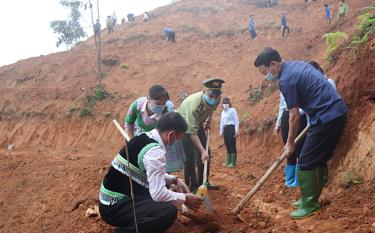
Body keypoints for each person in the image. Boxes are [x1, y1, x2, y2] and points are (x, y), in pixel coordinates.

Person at [254, 47, 348, 219]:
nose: (265, 76)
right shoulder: (297, 64)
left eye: (264, 71)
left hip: (327, 115)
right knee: (317, 158)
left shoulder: (286, 80)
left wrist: (290, 143)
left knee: (305, 159)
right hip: (332, 111)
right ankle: (310, 197)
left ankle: (310, 204)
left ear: (273, 64)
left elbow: (294, 115)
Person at [99, 112, 202, 233]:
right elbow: (158, 194)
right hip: (114, 207)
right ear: (171, 135)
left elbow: (152, 172)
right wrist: (185, 198)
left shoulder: (145, 137)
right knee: (168, 211)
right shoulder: (155, 152)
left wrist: (175, 180)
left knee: (166, 191)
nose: (175, 143)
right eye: (177, 139)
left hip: (112, 200)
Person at [178, 78, 225, 192]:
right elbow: (192, 132)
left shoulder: (217, 98)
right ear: (205, 91)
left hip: (197, 124)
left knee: (206, 154)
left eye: (216, 95)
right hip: (183, 126)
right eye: (211, 95)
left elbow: (212, 110)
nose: (213, 98)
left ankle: (203, 183)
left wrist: (208, 121)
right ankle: (191, 186)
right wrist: (201, 150)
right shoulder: (194, 104)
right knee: (190, 157)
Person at [124, 85, 184, 173]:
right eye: (158, 104)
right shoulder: (138, 104)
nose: (161, 106)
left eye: (163, 103)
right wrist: (132, 142)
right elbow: (129, 124)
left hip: (159, 139)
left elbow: (166, 136)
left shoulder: (167, 111)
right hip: (140, 134)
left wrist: (162, 151)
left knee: (159, 165)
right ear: (149, 99)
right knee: (139, 162)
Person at [275, 92, 308, 187]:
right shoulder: (283, 86)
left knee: (299, 146)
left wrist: (299, 112)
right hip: (286, 116)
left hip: (298, 116)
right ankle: (290, 179)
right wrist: (278, 124)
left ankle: (298, 179)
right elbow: (281, 106)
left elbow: (306, 102)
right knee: (288, 147)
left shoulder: (299, 82)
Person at [219, 97, 239, 168]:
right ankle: (228, 161)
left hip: (231, 128)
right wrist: (221, 131)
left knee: (232, 144)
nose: (225, 105)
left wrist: (236, 130)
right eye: (224, 103)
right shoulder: (222, 112)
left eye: (226, 103)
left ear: (229, 104)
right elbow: (221, 122)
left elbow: (236, 120)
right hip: (225, 129)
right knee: (227, 144)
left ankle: (233, 163)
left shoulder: (232, 110)